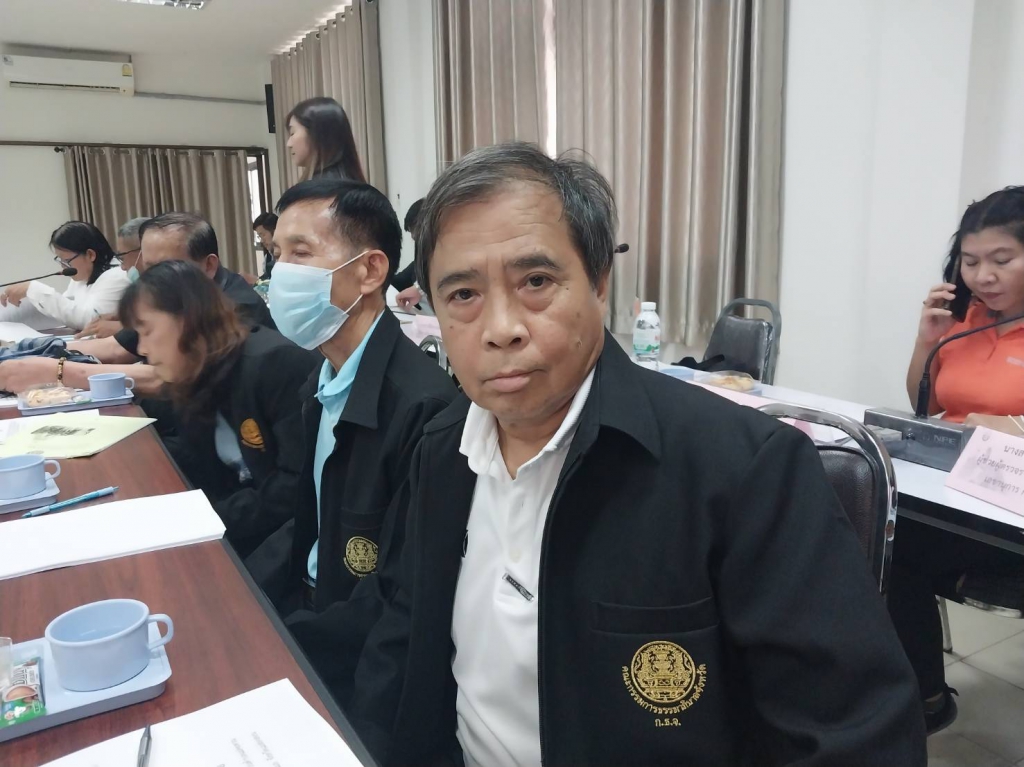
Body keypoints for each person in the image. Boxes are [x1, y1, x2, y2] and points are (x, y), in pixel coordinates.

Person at [347, 143, 926, 766]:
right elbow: (400, 635)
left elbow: (857, 739)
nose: (501, 328)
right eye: (463, 294)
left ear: (599, 284)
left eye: (536, 282)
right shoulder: (442, 449)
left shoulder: (746, 471)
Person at [244, 179, 456, 691]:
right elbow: (311, 520)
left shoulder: (421, 407)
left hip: (350, 652)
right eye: (277, 255)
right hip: (310, 606)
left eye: (301, 253)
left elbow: (399, 596)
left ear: (370, 270)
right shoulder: (320, 382)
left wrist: (283, 643)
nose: (281, 273)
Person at [891, 185, 1024, 733]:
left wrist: (1013, 427)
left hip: (1008, 511)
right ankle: (916, 694)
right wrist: (928, 341)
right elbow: (927, 406)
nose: (982, 276)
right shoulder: (968, 319)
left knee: (890, 547)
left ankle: (919, 698)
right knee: (868, 531)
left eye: (1002, 260)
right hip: (953, 493)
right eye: (970, 261)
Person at [118, 259, 318, 555]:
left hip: (291, 541)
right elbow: (200, 458)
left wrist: (202, 518)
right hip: (241, 524)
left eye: (146, 331)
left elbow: (294, 490)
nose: (142, 349)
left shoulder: (275, 366)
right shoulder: (198, 372)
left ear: (187, 318)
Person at [0, 212, 272, 396]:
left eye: (164, 266)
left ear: (209, 265)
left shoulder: (236, 308)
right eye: (147, 266)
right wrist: (24, 353)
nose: (146, 276)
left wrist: (59, 372)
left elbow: (171, 376)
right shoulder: (167, 299)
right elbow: (117, 347)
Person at [0, 221, 129, 331]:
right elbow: (64, 313)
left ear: (90, 255)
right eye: (60, 260)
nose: (63, 266)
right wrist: (25, 298)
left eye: (66, 261)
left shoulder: (117, 276)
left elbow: (90, 321)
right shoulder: (82, 277)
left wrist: (33, 289)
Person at [76, 216, 150, 340]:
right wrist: (123, 318)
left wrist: (122, 328)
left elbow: (170, 329)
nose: (123, 267)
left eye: (122, 257)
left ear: (143, 252)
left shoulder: (174, 283)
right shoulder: (145, 287)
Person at [287, 97, 366, 183]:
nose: (289, 144)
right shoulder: (364, 189)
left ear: (316, 134)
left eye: (292, 133)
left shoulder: (310, 190)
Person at [393, 198, 426, 310]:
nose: (413, 236)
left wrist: (420, 290)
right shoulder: (421, 259)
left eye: (414, 229)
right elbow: (400, 280)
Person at [253, 212, 278, 280]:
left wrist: (256, 280)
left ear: (275, 231)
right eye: (259, 237)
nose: (261, 241)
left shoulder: (289, 257)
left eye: (263, 235)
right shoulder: (267, 258)